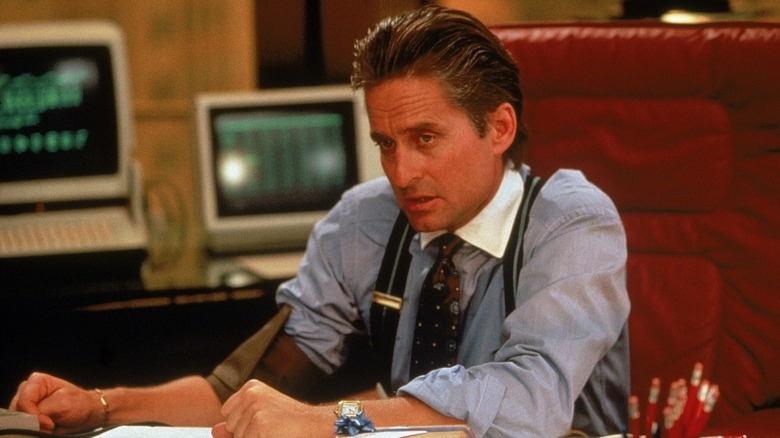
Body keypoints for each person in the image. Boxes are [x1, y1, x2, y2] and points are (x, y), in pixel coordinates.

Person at [9, 5, 630, 437]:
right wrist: (104, 405)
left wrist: (326, 421)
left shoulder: (572, 223)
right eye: (385, 143)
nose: (401, 172)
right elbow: (242, 391)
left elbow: (530, 403)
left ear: (499, 128)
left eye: (425, 138)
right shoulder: (363, 222)